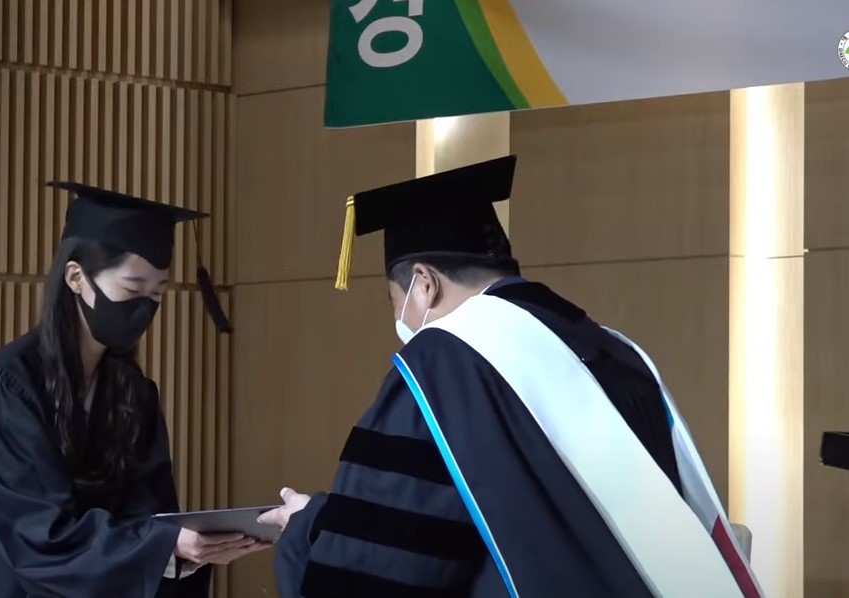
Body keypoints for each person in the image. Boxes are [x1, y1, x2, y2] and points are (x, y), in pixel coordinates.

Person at [257, 156, 764, 597]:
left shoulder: (445, 364)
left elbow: (387, 564)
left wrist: (307, 527)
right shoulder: (612, 349)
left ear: (424, 284)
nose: (400, 318)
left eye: (396, 301)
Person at [0, 182, 267, 598]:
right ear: (76, 278)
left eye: (157, 292)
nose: (145, 306)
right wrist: (160, 546)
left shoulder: (134, 394)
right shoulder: (5, 389)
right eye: (132, 289)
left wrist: (185, 548)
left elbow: (150, 513)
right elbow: (35, 533)